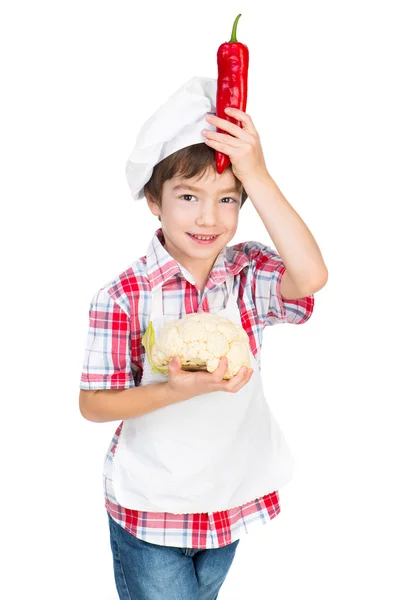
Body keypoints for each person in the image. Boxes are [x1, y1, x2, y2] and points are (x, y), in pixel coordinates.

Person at [79, 76, 328, 600]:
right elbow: (94, 405)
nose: (208, 217)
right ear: (153, 198)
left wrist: (257, 173)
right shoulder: (125, 295)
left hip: (228, 497)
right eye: (188, 196)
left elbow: (309, 277)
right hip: (152, 510)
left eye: (229, 199)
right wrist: (176, 390)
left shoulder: (247, 274)